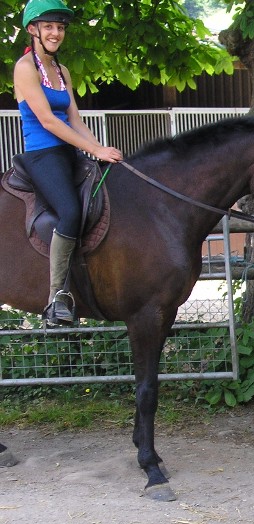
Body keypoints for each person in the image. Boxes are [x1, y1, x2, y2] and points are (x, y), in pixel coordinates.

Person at [13, 0, 123, 326]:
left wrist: (99, 148)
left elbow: (73, 118)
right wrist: (93, 150)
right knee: (71, 210)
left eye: (60, 27)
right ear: (33, 29)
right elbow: (48, 121)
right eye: (48, 26)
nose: (55, 32)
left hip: (68, 152)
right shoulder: (25, 68)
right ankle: (57, 297)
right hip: (43, 154)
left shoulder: (62, 72)